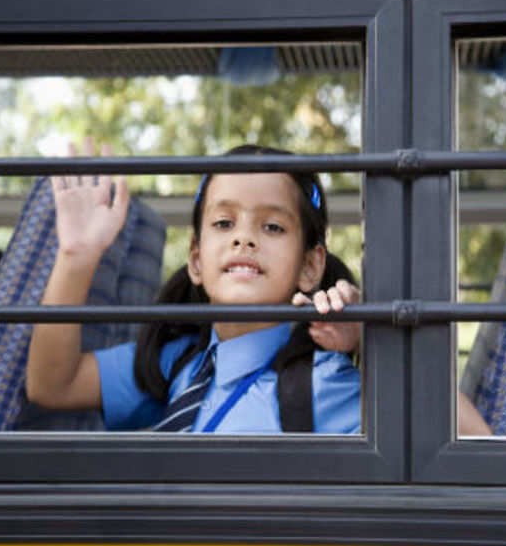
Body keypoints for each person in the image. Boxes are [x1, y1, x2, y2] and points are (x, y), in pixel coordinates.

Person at [27, 143, 361, 433]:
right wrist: (76, 257)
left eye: (273, 227)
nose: (242, 238)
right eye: (223, 223)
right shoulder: (174, 363)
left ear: (310, 266)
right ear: (197, 260)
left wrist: (372, 342)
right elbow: (54, 385)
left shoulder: (326, 382)